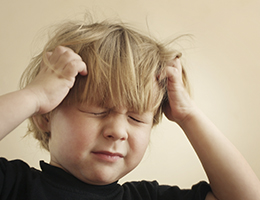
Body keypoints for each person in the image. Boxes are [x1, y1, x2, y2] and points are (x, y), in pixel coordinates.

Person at [0, 18, 259, 200]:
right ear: (45, 116)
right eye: (98, 112)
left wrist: (188, 114)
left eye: (136, 117)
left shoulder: (146, 196)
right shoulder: (13, 185)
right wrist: (35, 95)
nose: (118, 131)